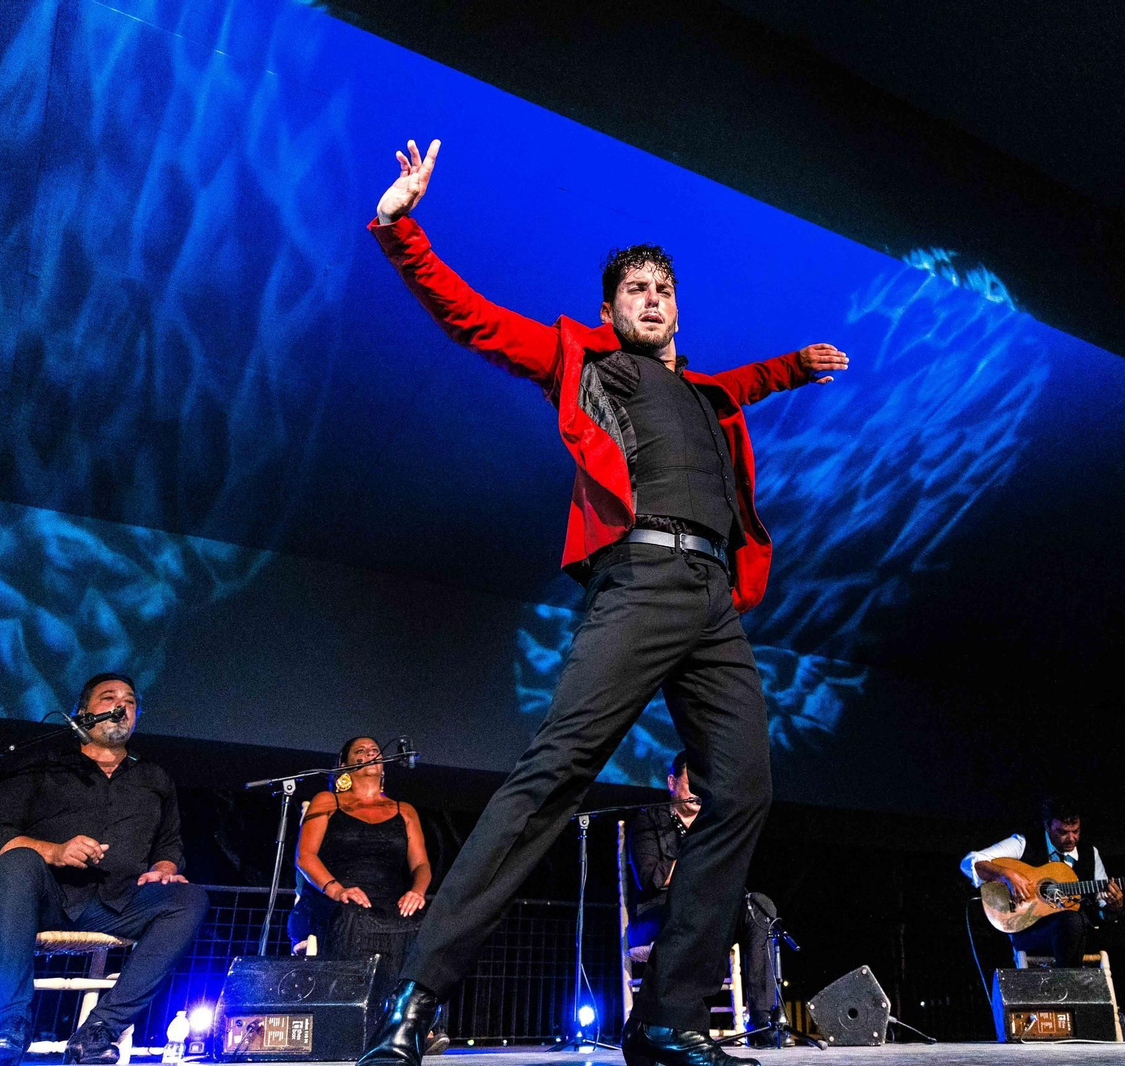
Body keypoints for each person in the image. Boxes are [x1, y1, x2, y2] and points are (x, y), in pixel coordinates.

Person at [355, 138, 849, 1066]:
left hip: (712, 597)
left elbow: (737, 383)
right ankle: (419, 997)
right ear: (609, 312)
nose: (652, 298)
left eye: (664, 287)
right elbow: (471, 321)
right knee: (554, 774)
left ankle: (664, 1018)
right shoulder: (585, 363)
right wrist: (400, 226)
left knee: (743, 788)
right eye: (635, 290)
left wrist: (791, 366)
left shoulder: (704, 393)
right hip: (639, 578)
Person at [0, 673, 208, 1066]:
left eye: (130, 701)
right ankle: (8, 1025)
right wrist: (54, 851)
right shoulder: (42, 767)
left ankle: (100, 1029)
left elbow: (169, 844)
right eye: (109, 697)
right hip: (45, 897)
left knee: (189, 898)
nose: (121, 705)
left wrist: (165, 867)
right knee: (16, 862)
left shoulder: (155, 777)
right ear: (82, 713)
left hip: (120, 900)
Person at [292, 737, 449, 1054]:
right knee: (354, 917)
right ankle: (358, 1021)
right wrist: (337, 888)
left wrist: (417, 891)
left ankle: (416, 1023)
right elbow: (305, 857)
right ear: (345, 765)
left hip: (390, 896)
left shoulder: (404, 810)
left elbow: (420, 864)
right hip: (337, 894)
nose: (370, 754)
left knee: (423, 923)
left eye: (374, 750)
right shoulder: (327, 801)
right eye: (359, 751)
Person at [627, 752, 781, 1045]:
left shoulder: (713, 824)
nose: (698, 793)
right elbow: (651, 877)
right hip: (657, 911)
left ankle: (762, 1021)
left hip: (708, 909)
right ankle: (687, 1025)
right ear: (672, 783)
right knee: (697, 915)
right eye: (691, 784)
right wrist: (700, 861)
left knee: (759, 906)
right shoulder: (649, 820)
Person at [960, 797, 1122, 968]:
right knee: (1072, 921)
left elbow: (1103, 909)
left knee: (1079, 922)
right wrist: (1008, 876)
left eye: (1076, 831)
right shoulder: (1024, 843)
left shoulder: (1089, 854)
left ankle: (1068, 985)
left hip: (1076, 934)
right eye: (1062, 832)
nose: (1071, 839)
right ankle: (1068, 986)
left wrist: (1113, 907)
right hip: (1031, 932)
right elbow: (970, 862)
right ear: (1047, 826)